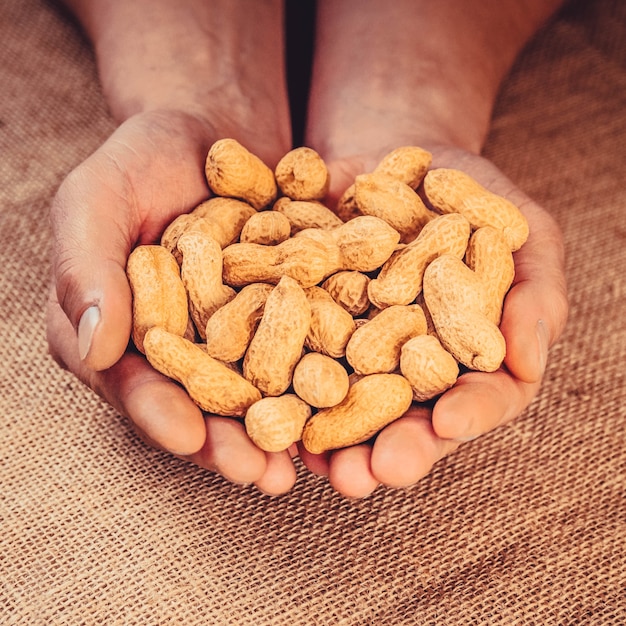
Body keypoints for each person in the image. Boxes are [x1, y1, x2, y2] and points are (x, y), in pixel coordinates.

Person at [47, 0, 569, 498]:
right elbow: (241, 307)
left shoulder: (393, 260)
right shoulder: (264, 261)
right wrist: (196, 89)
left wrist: (413, 92)